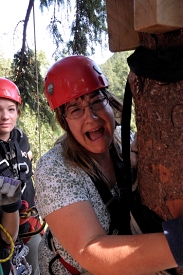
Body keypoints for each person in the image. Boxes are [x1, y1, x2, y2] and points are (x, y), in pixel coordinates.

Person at [35, 55, 183, 275]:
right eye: (76, 110)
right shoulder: (55, 169)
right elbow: (91, 251)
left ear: (110, 101)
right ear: (64, 121)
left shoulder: (124, 144)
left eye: (96, 101)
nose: (91, 117)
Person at [0, 77, 42, 275]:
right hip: (4, 232)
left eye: (10, 109)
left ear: (18, 111)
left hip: (30, 226)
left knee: (39, 268)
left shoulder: (21, 139)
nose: (4, 116)